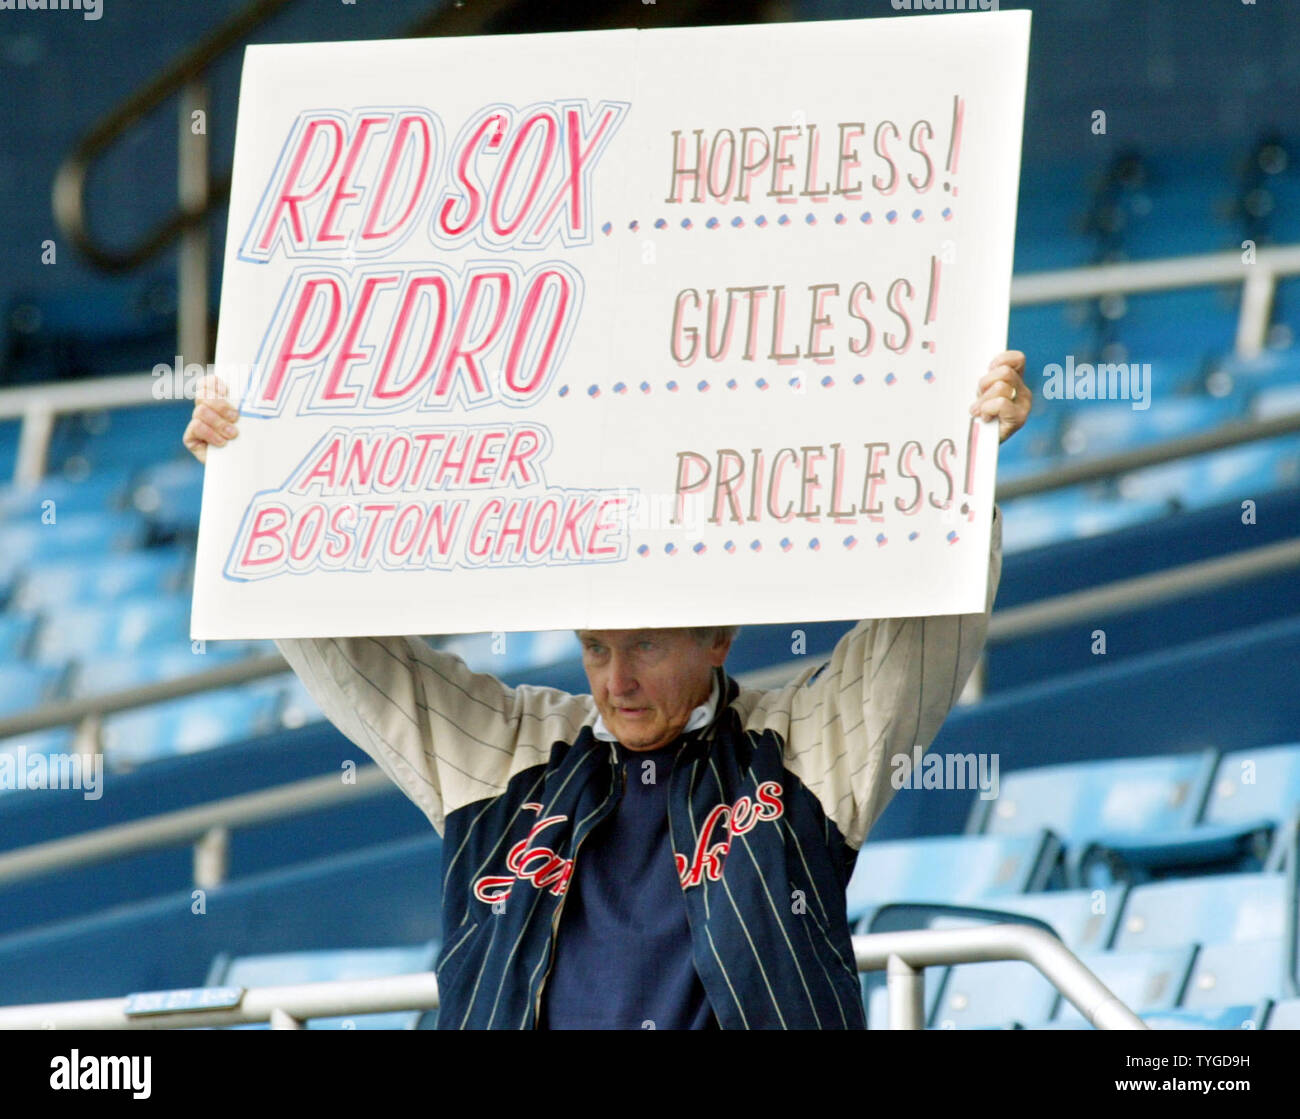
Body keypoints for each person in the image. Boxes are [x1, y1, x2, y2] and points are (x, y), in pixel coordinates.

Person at [183, 351, 1031, 1029]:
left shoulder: (802, 751)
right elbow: (350, 658)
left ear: (720, 637)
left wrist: (972, 467)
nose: (616, 680)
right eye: (595, 647)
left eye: (647, 647)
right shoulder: (511, 749)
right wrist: (244, 481)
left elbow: (927, 633)